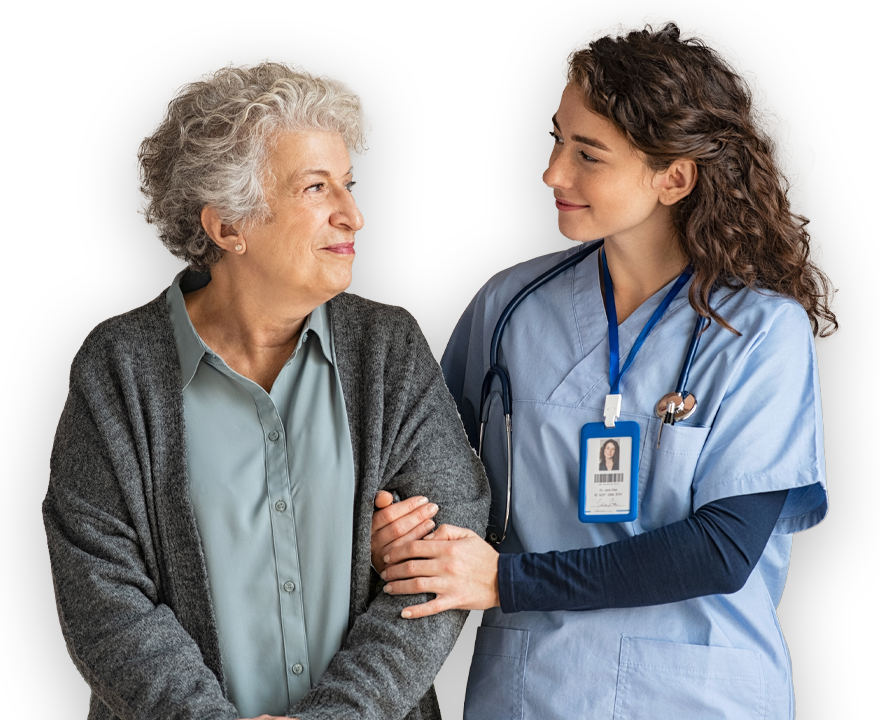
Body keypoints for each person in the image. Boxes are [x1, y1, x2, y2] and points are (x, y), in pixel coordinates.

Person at [371, 15, 837, 719]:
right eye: (557, 139)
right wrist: (400, 532)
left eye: (589, 154)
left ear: (674, 177)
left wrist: (507, 581)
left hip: (697, 699)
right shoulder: (508, 307)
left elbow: (722, 549)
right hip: (528, 693)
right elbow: (431, 481)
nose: (552, 172)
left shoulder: (761, 333)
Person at [43, 58, 488, 720]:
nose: (354, 216)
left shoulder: (387, 346)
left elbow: (443, 561)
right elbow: (101, 595)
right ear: (227, 226)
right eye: (315, 188)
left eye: (347, 184)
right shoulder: (119, 366)